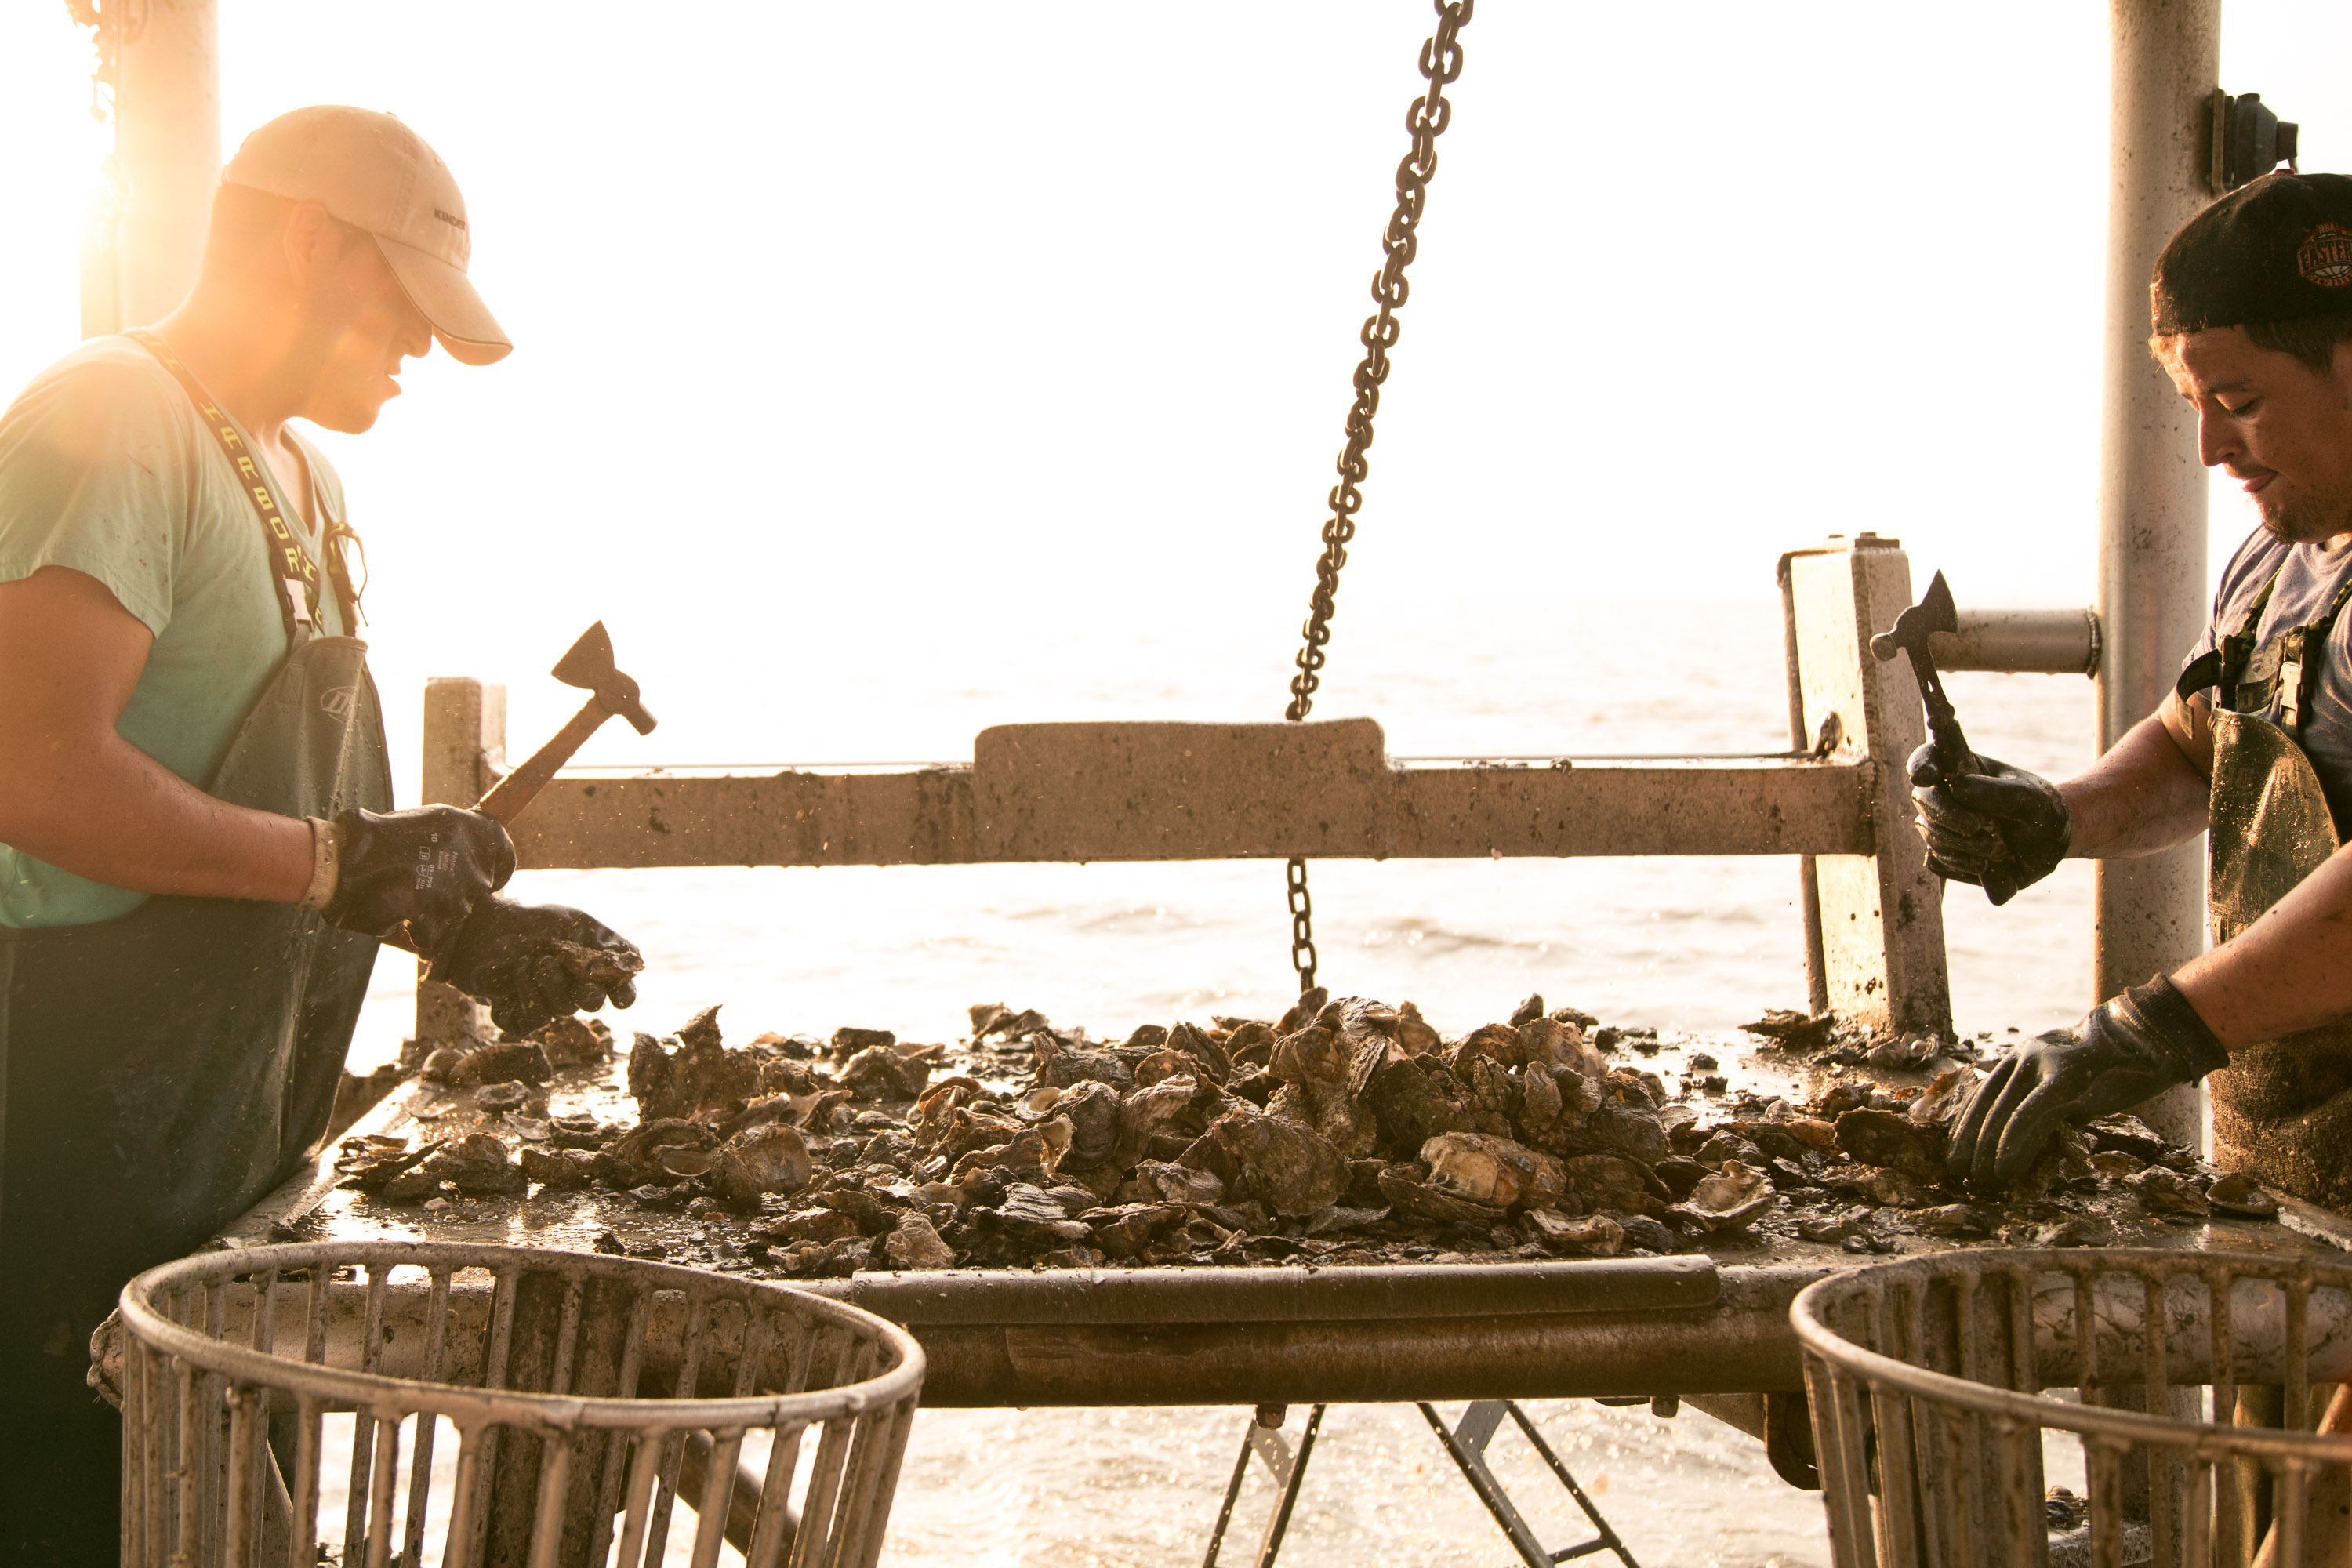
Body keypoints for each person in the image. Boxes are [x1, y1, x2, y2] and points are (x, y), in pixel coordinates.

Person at [0, 107, 640, 1560]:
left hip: (229, 1155)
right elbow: (29, 771)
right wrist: (342, 863)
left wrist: (442, 910)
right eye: (402, 305)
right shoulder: (111, 416)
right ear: (304, 240)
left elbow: (256, 812)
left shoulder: (305, 477)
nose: (417, 349)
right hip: (52, 1147)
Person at [1918, 171, 2352, 1206]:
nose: (2209, 451)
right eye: (2198, 409)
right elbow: (2202, 745)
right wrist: (2060, 814)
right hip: (2299, 1181)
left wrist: (2147, 1030)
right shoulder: (2275, 563)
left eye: (2240, 404)